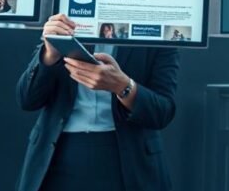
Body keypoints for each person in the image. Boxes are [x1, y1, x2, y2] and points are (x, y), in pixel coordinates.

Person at [15, 13, 180, 191]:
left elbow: (162, 111)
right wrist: (48, 55)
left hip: (127, 160)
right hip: (58, 155)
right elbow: (27, 100)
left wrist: (123, 87)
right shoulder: (68, 19)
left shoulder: (156, 28)